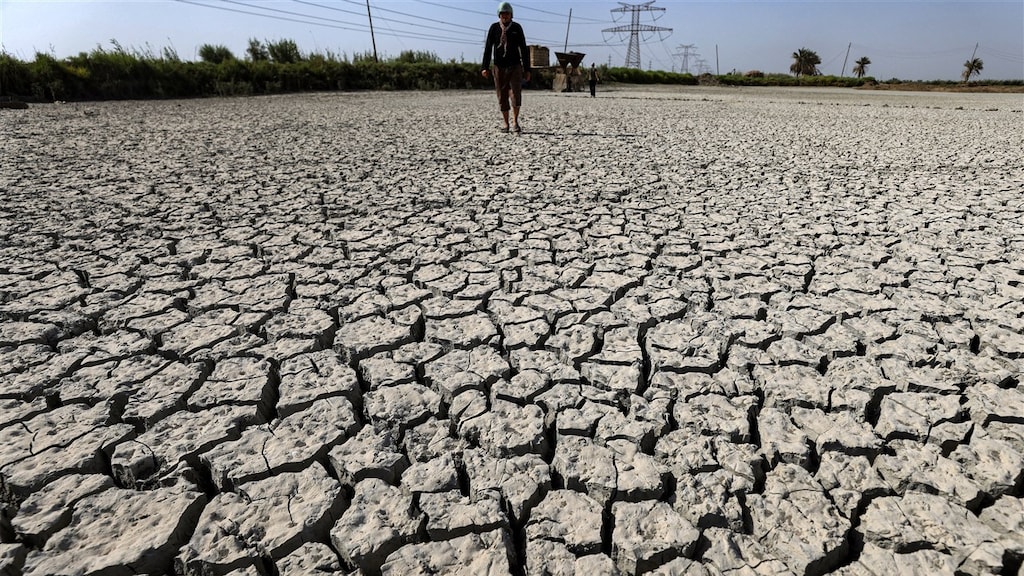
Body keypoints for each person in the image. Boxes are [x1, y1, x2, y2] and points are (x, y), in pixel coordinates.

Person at [482, 2, 531, 133]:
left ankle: (515, 121)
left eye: (507, 13)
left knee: (515, 93)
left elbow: (523, 49)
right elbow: (488, 48)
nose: (505, 16)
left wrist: (527, 69)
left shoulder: (516, 28)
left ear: (511, 14)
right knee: (502, 94)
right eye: (503, 13)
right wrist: (485, 67)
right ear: (499, 15)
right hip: (499, 67)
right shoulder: (494, 28)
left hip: (515, 66)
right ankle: (505, 123)